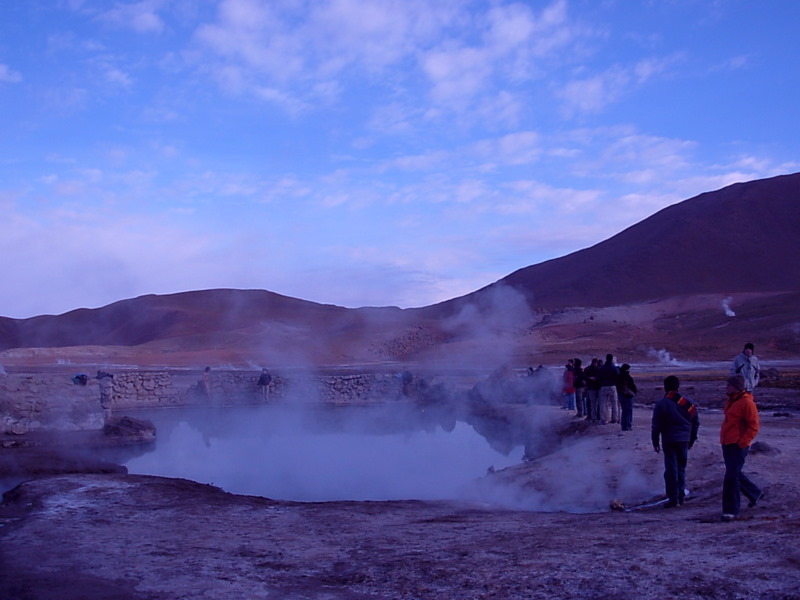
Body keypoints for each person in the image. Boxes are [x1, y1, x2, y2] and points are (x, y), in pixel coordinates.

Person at [651, 375, 699, 507]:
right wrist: (692, 438)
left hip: (669, 440)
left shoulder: (661, 404)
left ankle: (673, 498)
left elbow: (656, 425)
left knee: (671, 469)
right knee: (681, 468)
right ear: (678, 386)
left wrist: (655, 441)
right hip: (684, 440)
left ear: (665, 387)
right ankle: (681, 497)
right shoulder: (688, 402)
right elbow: (695, 422)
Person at [720, 374, 763, 521]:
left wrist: (743, 442)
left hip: (738, 445)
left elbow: (754, 425)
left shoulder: (746, 403)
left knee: (730, 477)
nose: (726, 387)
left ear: (736, 386)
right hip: (727, 443)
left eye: (729, 385)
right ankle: (755, 493)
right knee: (734, 473)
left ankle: (731, 511)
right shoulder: (731, 401)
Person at [596, 354, 620, 424]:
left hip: (604, 386)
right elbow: (617, 377)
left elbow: (599, 377)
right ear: (612, 359)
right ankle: (614, 419)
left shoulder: (602, 368)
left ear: (606, 359)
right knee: (614, 403)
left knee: (603, 404)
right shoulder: (614, 368)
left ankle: (603, 419)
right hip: (612, 386)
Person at [617, 363, 637, 431]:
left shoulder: (619, 376)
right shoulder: (626, 376)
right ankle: (628, 426)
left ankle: (623, 426)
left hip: (620, 395)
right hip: (627, 395)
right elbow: (631, 385)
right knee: (628, 411)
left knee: (624, 411)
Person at [583, 357, 600, 422]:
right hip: (592, 388)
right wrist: (590, 378)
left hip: (594, 387)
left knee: (594, 403)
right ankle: (593, 417)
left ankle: (594, 416)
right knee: (593, 403)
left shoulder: (589, 369)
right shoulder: (589, 369)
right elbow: (584, 377)